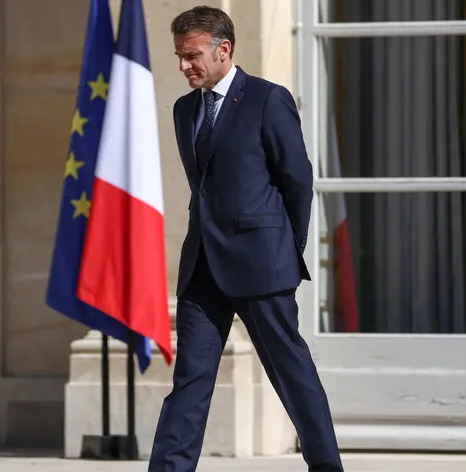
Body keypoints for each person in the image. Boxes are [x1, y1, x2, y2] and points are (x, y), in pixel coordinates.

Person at [148, 6, 344, 472]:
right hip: (202, 267)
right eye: (179, 56)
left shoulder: (267, 99)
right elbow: (204, 188)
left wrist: (285, 248)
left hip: (262, 263)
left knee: (291, 375)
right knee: (189, 382)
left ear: (224, 49)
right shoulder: (184, 110)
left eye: (192, 55)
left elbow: (297, 180)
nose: (184, 66)